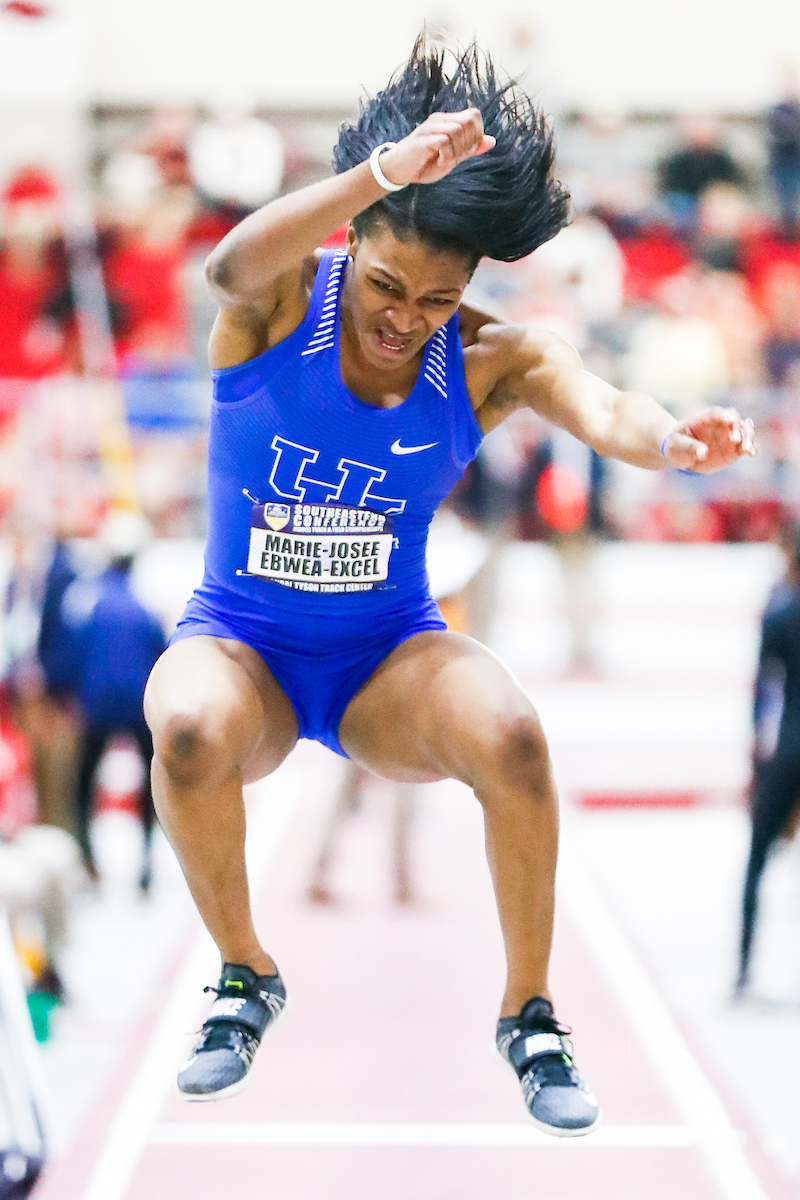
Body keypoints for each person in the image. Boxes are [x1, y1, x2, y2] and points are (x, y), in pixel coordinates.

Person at [144, 40, 756, 1134]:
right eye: (384, 285)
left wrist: (672, 444)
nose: (401, 318)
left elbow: (602, 406)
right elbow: (227, 267)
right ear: (352, 238)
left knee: (515, 734)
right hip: (243, 648)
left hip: (387, 657)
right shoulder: (278, 307)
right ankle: (244, 975)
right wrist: (378, 173)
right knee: (184, 725)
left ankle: (528, 1013)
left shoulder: (484, 358)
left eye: (433, 299)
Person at [66, 513, 166, 891]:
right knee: (154, 784)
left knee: (83, 784)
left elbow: (71, 656)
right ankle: (145, 862)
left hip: (97, 706)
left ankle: (89, 861)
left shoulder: (89, 605)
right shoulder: (144, 610)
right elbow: (162, 657)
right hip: (140, 707)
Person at [737, 523, 800, 993]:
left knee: (757, 857)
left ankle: (743, 971)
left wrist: (756, 758)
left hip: (790, 748)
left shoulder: (779, 617)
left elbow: (762, 693)